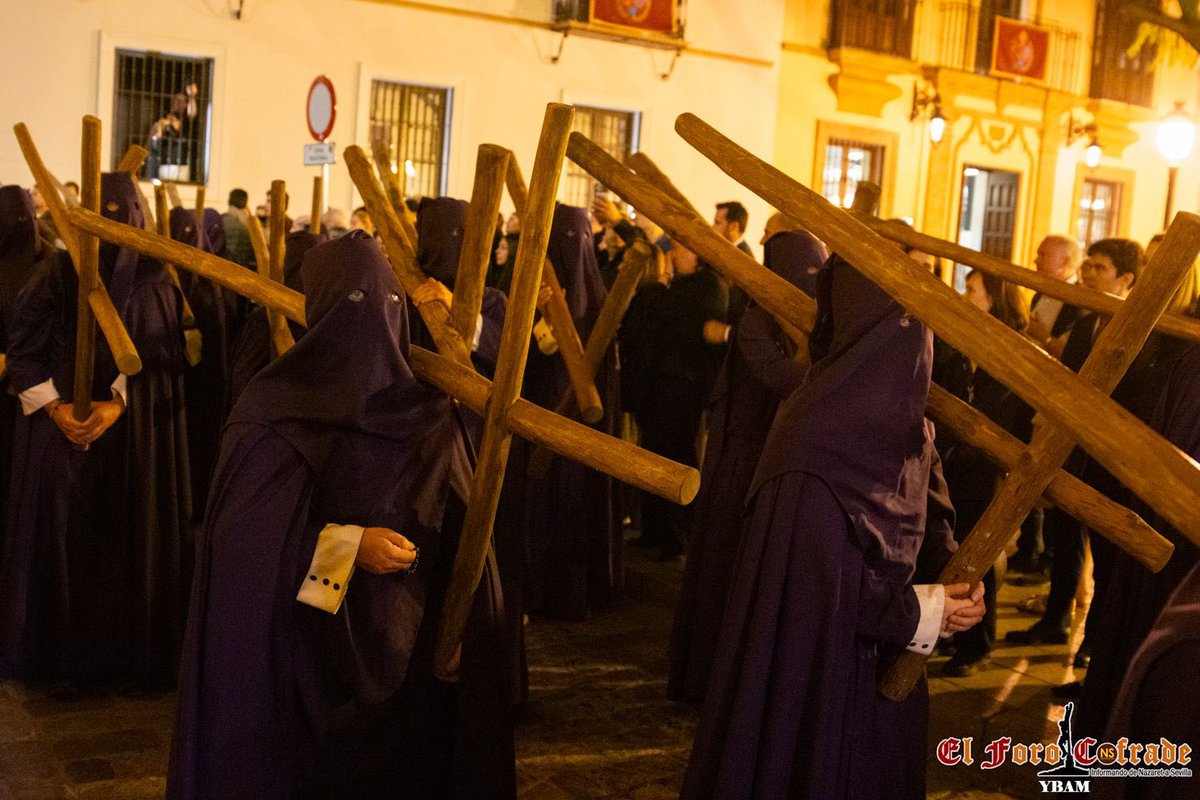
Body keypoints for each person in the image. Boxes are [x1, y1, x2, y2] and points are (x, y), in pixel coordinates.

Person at [167, 231, 514, 800]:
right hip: (304, 667)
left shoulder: (429, 411)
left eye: (388, 302)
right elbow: (241, 548)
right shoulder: (272, 413)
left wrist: (468, 630)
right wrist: (348, 548)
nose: (373, 321)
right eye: (354, 303)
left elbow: (469, 539)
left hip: (408, 661)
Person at [680, 252, 984, 800]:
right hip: (822, 674)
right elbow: (820, 591)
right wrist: (926, 610)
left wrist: (957, 584)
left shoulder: (907, 418)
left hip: (888, 667)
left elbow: (930, 509)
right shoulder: (812, 433)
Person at [667, 229, 824, 705]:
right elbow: (780, 377)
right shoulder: (758, 321)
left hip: (777, 459)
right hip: (745, 457)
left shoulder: (817, 322)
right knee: (728, 562)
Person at [0, 174, 136, 681]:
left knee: (99, 544)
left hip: (109, 433)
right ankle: (48, 653)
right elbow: (24, 355)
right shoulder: (55, 272)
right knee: (51, 538)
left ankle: (94, 652)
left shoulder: (137, 275)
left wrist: (115, 404)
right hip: (53, 432)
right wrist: (57, 409)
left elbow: (141, 352)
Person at [940, 269, 1031, 677]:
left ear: (993, 297)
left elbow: (1007, 411)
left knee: (979, 554)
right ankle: (952, 628)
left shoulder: (1012, 347)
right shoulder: (962, 337)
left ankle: (977, 645)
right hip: (952, 460)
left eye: (971, 289)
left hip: (985, 465)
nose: (965, 294)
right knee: (950, 544)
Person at [620, 243, 728, 561]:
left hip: (682, 386)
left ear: (698, 253)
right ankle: (654, 531)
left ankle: (677, 535)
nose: (673, 255)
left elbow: (669, 316)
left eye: (680, 248)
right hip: (664, 383)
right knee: (655, 451)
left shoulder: (708, 286)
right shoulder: (687, 286)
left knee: (675, 454)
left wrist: (658, 287)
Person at [221, 188, 255, 269]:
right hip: (240, 269)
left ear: (228, 201)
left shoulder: (219, 220)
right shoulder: (247, 226)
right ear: (245, 204)